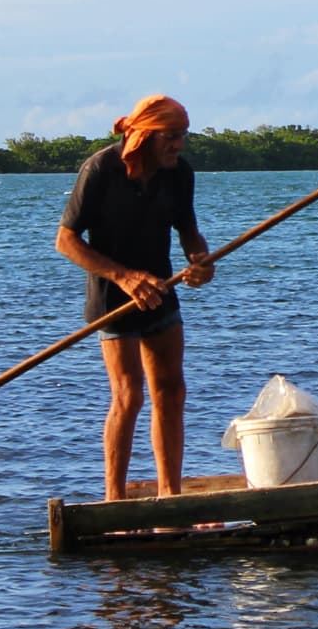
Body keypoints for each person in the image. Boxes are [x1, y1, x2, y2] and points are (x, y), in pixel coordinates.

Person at [55, 94, 215, 500]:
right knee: (128, 395)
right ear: (145, 136)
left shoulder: (179, 174)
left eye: (183, 137)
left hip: (161, 290)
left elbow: (189, 232)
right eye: (171, 137)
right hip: (114, 297)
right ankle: (114, 499)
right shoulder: (101, 169)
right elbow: (66, 241)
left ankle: (169, 495)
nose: (178, 146)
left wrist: (200, 261)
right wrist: (124, 277)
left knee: (171, 390)